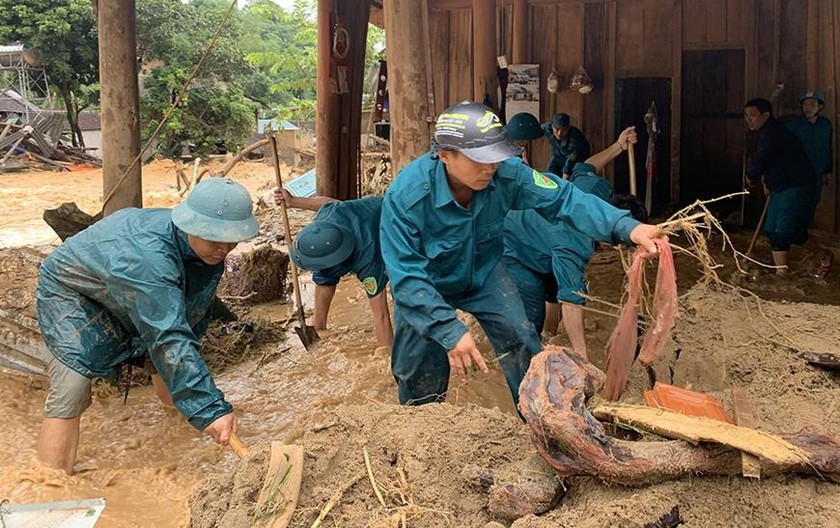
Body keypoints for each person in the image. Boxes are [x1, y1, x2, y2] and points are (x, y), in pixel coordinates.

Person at [380, 100, 661, 408]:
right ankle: (420, 429)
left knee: (522, 338)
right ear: (445, 155)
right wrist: (448, 329)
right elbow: (405, 277)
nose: (490, 167)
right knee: (418, 370)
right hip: (427, 287)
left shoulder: (507, 174)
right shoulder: (407, 198)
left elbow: (564, 199)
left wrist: (627, 226)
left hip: (484, 273)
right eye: (480, 160)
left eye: (495, 158)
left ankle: (538, 419)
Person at [35, 177, 259, 474]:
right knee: (73, 385)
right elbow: (168, 335)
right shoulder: (149, 259)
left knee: (166, 349)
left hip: (127, 281)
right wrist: (211, 410)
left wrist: (201, 407)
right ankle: (52, 483)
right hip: (74, 291)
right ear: (190, 224)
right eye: (214, 239)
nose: (224, 249)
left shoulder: (201, 251)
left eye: (231, 239)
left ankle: (176, 427)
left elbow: (183, 324)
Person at [503, 127, 647, 359]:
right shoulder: (575, 242)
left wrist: (619, 146)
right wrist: (581, 353)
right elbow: (571, 298)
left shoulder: (597, 190)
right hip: (512, 241)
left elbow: (587, 166)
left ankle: (551, 334)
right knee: (532, 314)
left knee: (553, 280)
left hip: (542, 234)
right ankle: (526, 357)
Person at [275, 188, 393, 352]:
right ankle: (319, 325)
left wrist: (384, 354)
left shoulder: (368, 259)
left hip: (391, 219)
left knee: (399, 284)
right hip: (352, 228)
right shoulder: (327, 219)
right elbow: (327, 204)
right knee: (324, 274)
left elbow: (381, 314)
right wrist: (293, 201)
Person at [744, 97, 816, 276]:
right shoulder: (765, 133)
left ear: (765, 115)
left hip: (794, 185)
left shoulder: (774, 133)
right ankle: (781, 273)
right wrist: (767, 182)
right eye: (746, 116)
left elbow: (763, 159)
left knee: (785, 230)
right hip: (779, 185)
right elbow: (773, 162)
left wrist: (751, 176)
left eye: (752, 115)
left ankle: (822, 255)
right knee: (772, 230)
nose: (748, 120)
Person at [785, 91, 834, 278]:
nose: (808, 107)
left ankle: (819, 254)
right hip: (796, 176)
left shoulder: (825, 125)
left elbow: (828, 147)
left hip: (816, 177)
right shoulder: (794, 125)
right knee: (792, 218)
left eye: (813, 104)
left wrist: (828, 171)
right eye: (806, 104)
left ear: (820, 107)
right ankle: (815, 253)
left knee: (805, 214)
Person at [542, 112, 591, 179]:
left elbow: (569, 164)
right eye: (557, 129)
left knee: (573, 178)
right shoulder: (547, 128)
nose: (559, 133)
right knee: (551, 171)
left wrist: (564, 183)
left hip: (578, 159)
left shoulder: (575, 139)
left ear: (568, 128)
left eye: (564, 130)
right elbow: (532, 132)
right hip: (558, 153)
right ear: (552, 126)